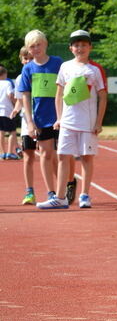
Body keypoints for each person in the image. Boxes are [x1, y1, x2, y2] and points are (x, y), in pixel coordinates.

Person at [37, 30, 107, 209]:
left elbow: (103, 96)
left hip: (87, 123)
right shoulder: (65, 67)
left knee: (86, 158)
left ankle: (85, 195)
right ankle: (60, 198)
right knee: (62, 156)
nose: (80, 48)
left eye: (84, 45)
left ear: (90, 47)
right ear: (70, 48)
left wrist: (99, 122)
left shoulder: (95, 69)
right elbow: (59, 94)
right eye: (76, 45)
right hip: (67, 122)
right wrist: (59, 118)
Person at [18, 30, 62, 199]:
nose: (36, 48)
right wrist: (30, 122)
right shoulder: (28, 69)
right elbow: (25, 96)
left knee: (62, 155)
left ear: (45, 44)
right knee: (46, 154)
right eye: (32, 46)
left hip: (60, 116)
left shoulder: (58, 63)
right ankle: (52, 192)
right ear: (28, 49)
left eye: (38, 44)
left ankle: (64, 187)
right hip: (41, 118)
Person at [12, 48, 37, 203]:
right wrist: (15, 110)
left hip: (44, 120)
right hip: (27, 121)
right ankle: (29, 192)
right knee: (28, 156)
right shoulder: (20, 78)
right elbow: (20, 100)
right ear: (21, 60)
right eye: (25, 58)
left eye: (30, 58)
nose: (27, 61)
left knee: (50, 156)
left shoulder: (41, 74)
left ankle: (58, 188)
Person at [0, 66, 19, 160]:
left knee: (1, 131)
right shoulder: (7, 83)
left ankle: (2, 152)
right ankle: (10, 152)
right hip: (7, 110)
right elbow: (10, 95)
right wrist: (17, 103)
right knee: (12, 131)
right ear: (4, 74)